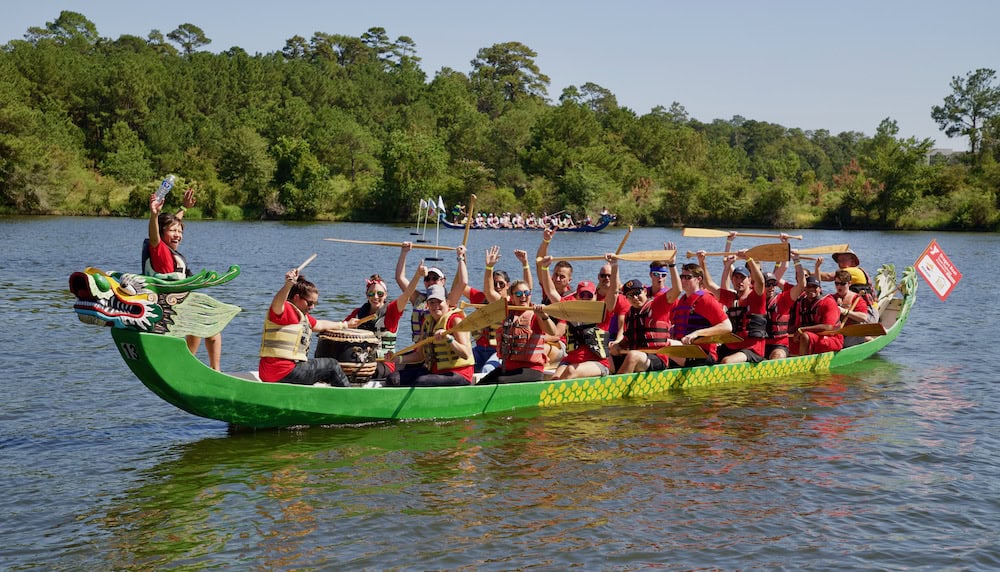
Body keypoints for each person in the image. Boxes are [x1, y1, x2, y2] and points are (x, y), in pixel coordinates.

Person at [143, 188, 222, 370]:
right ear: (162, 233)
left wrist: (183, 208)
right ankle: (186, 363)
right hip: (170, 307)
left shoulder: (169, 252)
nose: (178, 234)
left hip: (179, 304)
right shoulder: (160, 252)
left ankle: (216, 371)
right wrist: (154, 215)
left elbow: (172, 224)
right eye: (173, 231)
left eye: (180, 231)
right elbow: (155, 236)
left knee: (214, 330)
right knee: (199, 324)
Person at [258, 268, 353, 386]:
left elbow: (319, 324)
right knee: (331, 365)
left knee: (320, 368)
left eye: (315, 304)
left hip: (268, 373)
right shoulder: (284, 310)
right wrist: (288, 285)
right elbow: (277, 303)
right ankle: (348, 398)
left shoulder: (302, 317)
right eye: (309, 303)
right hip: (285, 371)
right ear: (297, 298)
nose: (312, 307)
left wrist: (345, 324)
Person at [540, 254, 620, 380]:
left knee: (571, 371)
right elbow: (551, 292)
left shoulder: (603, 312)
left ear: (595, 296)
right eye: (583, 295)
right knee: (555, 379)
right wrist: (544, 268)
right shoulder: (570, 311)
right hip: (570, 360)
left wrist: (614, 266)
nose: (586, 298)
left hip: (598, 363)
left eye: (589, 295)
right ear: (577, 297)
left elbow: (614, 292)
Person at [385, 281, 475, 387]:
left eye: (439, 301)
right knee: (393, 379)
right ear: (427, 305)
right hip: (435, 372)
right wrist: (397, 359)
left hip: (459, 374)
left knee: (421, 381)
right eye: (432, 302)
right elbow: (419, 355)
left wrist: (449, 338)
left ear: (447, 302)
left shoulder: (455, 320)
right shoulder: (428, 323)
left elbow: (465, 353)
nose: (435, 305)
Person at [478, 280, 559, 384]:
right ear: (511, 296)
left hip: (531, 370)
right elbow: (490, 293)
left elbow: (552, 331)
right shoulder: (507, 312)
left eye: (527, 293)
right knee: (481, 384)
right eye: (519, 294)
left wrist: (543, 315)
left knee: (500, 381)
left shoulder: (535, 315)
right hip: (507, 367)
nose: (523, 296)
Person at [663, 262, 733, 368]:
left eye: (688, 277)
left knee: (664, 344)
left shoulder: (706, 299)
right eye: (682, 277)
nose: (683, 280)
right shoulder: (682, 300)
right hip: (684, 351)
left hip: (702, 354)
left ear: (699, 279)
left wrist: (696, 333)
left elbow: (727, 326)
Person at [705, 254, 768, 365]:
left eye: (743, 278)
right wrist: (702, 262)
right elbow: (709, 284)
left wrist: (749, 259)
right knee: (707, 357)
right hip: (731, 345)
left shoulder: (756, 296)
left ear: (749, 280)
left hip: (752, 349)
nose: (740, 281)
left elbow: (761, 282)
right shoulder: (730, 297)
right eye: (736, 278)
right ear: (732, 280)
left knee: (726, 361)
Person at [343, 274, 406, 381]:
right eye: (371, 293)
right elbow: (339, 328)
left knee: (362, 371)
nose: (375, 297)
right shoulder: (357, 313)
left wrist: (418, 275)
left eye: (380, 294)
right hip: (361, 360)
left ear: (386, 295)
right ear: (367, 295)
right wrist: (346, 325)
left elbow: (407, 294)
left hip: (384, 362)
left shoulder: (392, 312)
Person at [613, 276, 676, 374]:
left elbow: (677, 290)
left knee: (633, 355)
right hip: (638, 357)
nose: (635, 297)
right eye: (630, 295)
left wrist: (672, 265)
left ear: (645, 291)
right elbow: (627, 339)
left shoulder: (656, 306)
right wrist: (617, 346)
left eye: (637, 293)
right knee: (606, 353)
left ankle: (616, 387)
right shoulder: (629, 314)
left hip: (657, 358)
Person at [763, 254, 806, 360]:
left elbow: (801, 285)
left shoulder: (783, 299)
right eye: (768, 284)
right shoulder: (753, 298)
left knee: (777, 356)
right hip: (759, 343)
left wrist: (796, 260)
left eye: (774, 284)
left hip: (779, 344)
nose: (772, 287)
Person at [789, 276, 844, 355]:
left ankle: (803, 362)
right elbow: (797, 325)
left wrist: (802, 329)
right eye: (808, 286)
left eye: (814, 287)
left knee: (805, 336)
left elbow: (828, 327)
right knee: (785, 339)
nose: (811, 289)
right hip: (811, 336)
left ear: (820, 289)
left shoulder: (829, 302)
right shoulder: (801, 303)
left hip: (832, 338)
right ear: (804, 289)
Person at [831, 268, 873, 348]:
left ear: (849, 283)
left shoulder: (857, 299)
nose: (839, 286)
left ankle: (866, 340)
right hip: (837, 333)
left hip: (852, 333)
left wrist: (845, 312)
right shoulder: (832, 298)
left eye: (842, 284)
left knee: (848, 343)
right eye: (836, 283)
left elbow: (863, 317)